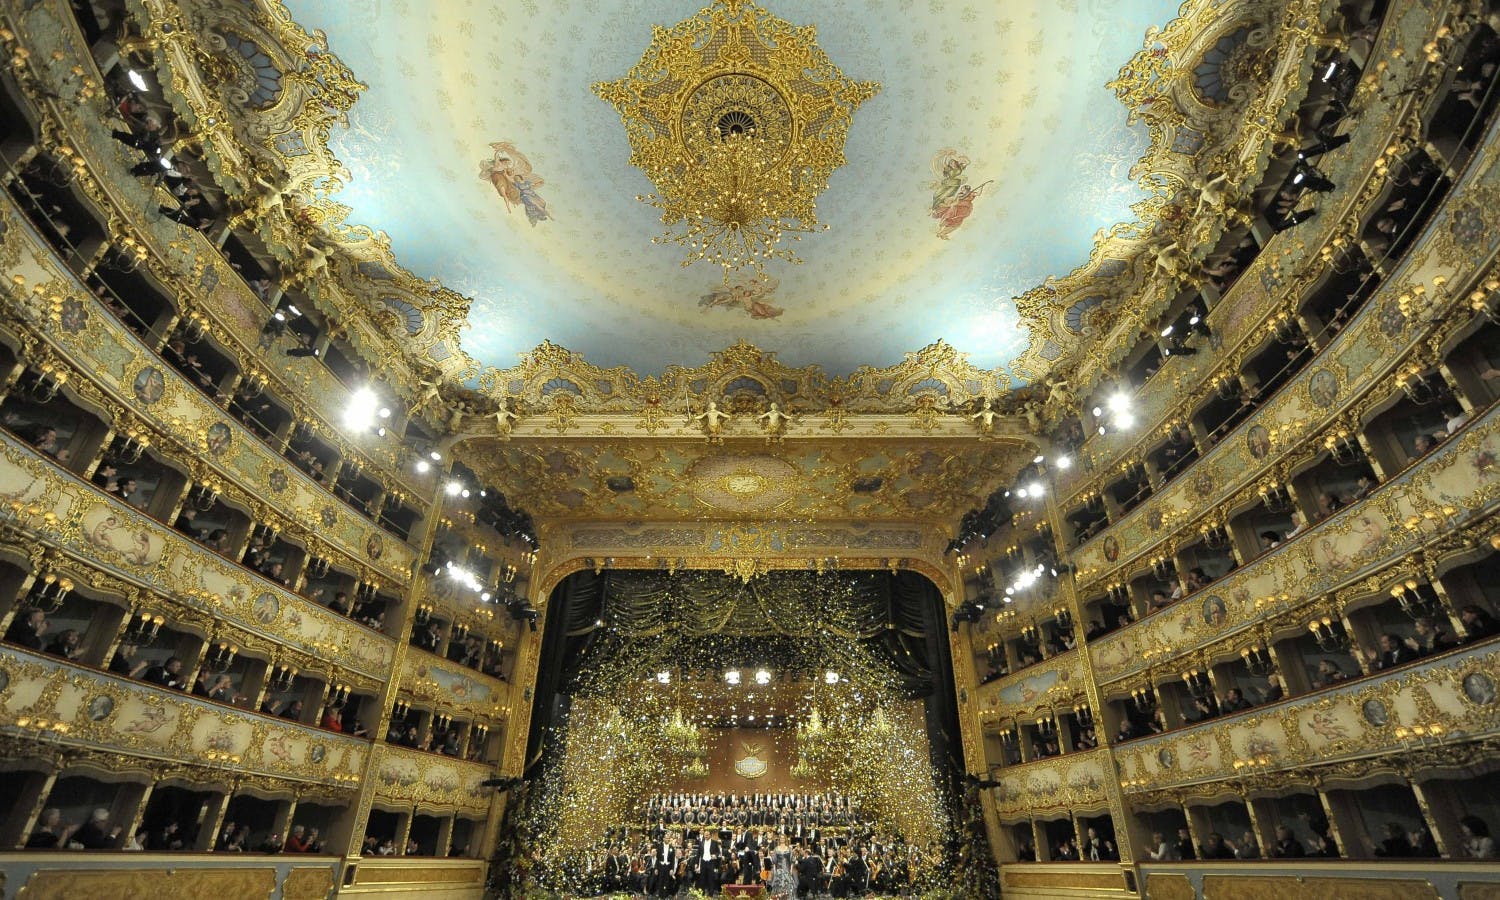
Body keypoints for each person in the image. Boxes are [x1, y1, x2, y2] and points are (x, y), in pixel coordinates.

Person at [770, 833, 798, 898]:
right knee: (778, 885)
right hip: (779, 870)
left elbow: (792, 860)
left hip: (787, 869)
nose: (782, 839)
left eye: (783, 838)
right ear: (779, 839)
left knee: (789, 885)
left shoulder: (789, 849)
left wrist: (791, 870)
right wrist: (774, 870)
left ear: (785, 839)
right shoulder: (776, 849)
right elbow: (774, 861)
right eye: (781, 838)